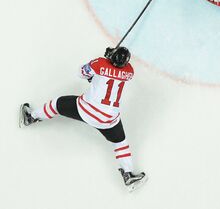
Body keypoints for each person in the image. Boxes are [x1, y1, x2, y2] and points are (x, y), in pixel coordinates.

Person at [19, 47, 147, 192]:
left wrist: (105, 60)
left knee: (57, 104)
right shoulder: (129, 72)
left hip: (86, 110)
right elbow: (112, 73)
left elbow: (81, 73)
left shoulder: (100, 63)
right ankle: (128, 175)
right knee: (120, 143)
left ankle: (31, 117)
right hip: (109, 119)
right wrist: (107, 62)